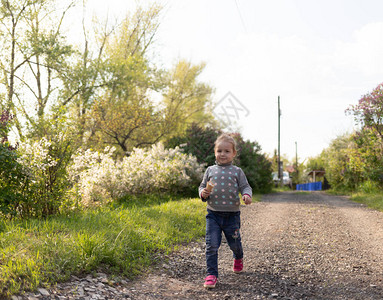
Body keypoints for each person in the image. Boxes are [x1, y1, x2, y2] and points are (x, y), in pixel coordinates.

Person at [199, 133, 252, 289]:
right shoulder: (210, 170)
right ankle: (211, 275)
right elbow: (202, 186)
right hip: (213, 214)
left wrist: (247, 195)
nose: (223, 154)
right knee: (211, 245)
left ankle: (238, 256)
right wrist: (203, 193)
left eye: (227, 151)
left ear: (233, 153)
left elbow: (245, 186)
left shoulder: (237, 171)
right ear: (215, 152)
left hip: (232, 215)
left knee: (234, 243)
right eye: (219, 151)